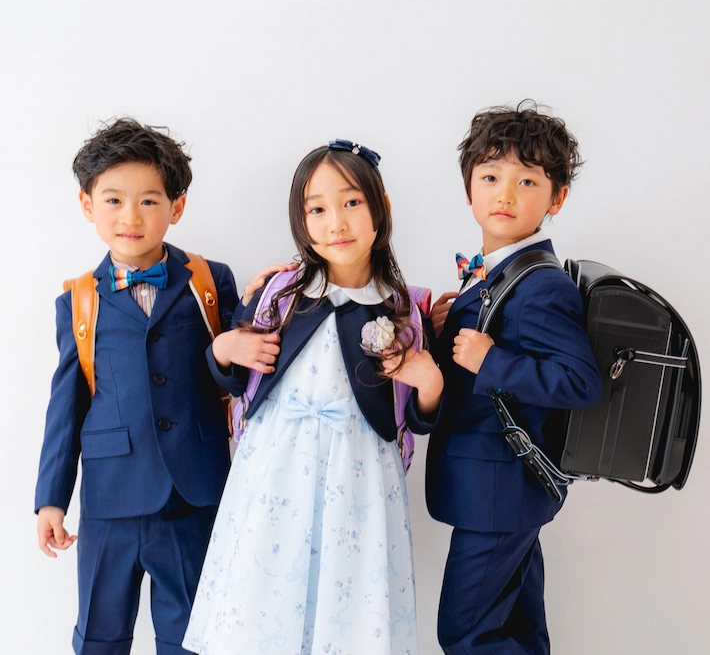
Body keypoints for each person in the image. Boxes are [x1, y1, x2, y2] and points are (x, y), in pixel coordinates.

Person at [182, 140, 444, 655]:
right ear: (301, 222)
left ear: (381, 208)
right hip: (277, 472)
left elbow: (416, 415)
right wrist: (223, 349)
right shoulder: (280, 293)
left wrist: (431, 384)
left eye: (351, 203)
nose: (336, 223)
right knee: (267, 590)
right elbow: (237, 380)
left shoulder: (402, 310)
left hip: (359, 475)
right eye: (317, 209)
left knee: (346, 596)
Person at [35, 118, 239, 655]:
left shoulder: (210, 281)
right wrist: (51, 499)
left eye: (149, 201)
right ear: (87, 205)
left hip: (194, 492)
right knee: (99, 635)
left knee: (191, 637)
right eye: (114, 200)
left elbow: (239, 378)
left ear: (177, 207)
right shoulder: (78, 300)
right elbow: (66, 404)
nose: (131, 217)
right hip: (110, 500)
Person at [426, 103, 603, 654]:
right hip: (503, 493)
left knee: (467, 633)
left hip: (499, 493)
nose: (505, 194)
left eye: (527, 181)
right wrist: (443, 332)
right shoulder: (497, 273)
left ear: (556, 198)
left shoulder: (541, 285)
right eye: (490, 177)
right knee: (518, 630)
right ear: (468, 189)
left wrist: (491, 361)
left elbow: (581, 382)